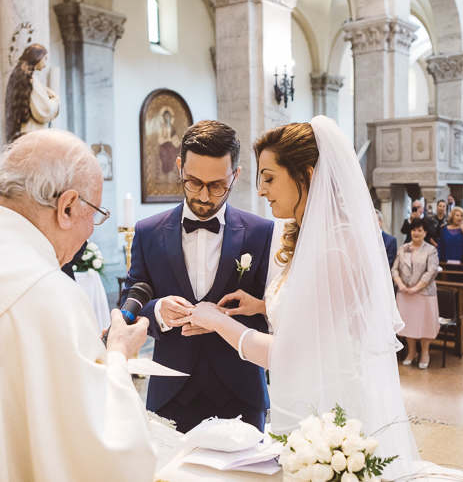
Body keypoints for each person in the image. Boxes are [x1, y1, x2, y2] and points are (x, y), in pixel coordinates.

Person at [177, 117, 423, 479]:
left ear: (306, 174)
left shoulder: (338, 247)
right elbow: (324, 317)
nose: (261, 189)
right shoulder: (315, 236)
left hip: (331, 415)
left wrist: (217, 320)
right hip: (305, 402)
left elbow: (287, 353)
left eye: (270, 177)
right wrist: (263, 306)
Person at [0, 130, 157, 481]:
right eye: (95, 213)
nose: (91, 231)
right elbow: (105, 454)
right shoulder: (51, 297)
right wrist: (117, 353)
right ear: (67, 207)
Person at [121, 120, 273, 433]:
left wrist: (225, 320)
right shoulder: (148, 232)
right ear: (179, 168)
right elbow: (133, 299)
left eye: (217, 185)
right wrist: (159, 311)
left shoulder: (261, 233)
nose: (204, 196)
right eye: (193, 182)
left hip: (241, 391)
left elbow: (272, 313)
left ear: (237, 175)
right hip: (170, 392)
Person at [392, 218, 440, 370]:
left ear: (425, 233)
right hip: (405, 292)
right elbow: (395, 269)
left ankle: (425, 352)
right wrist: (400, 284)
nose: (416, 233)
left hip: (424, 293)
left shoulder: (430, 250)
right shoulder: (403, 248)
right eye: (414, 230)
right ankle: (411, 352)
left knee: (425, 323)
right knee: (409, 324)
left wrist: (416, 288)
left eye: (420, 230)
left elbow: (431, 271)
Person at [5, 44, 60, 143]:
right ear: (37, 57)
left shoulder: (19, 78)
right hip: (34, 135)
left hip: (23, 134)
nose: (45, 63)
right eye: (45, 58)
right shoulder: (31, 81)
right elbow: (44, 111)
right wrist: (56, 100)